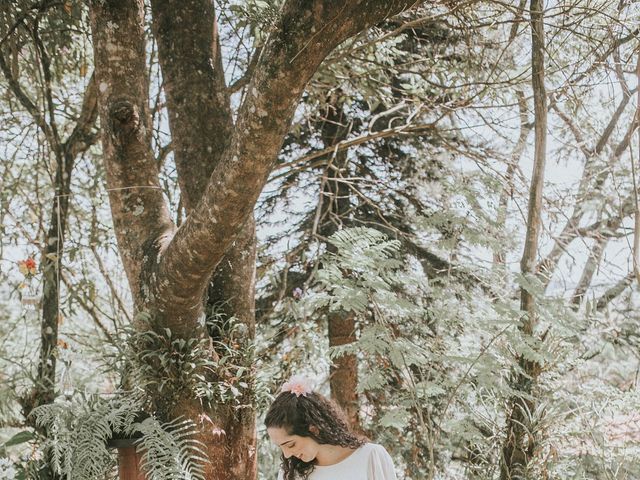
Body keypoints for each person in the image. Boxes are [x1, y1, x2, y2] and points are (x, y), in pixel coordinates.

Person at [265, 376, 398, 480]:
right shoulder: (290, 472)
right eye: (280, 447)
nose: (287, 454)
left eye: (291, 444)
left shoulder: (371, 456)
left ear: (313, 429)